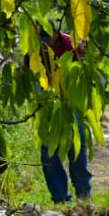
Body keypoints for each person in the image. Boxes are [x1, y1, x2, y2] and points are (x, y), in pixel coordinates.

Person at [38, 26, 93, 204]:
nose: (46, 42)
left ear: (56, 32)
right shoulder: (35, 47)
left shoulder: (70, 43)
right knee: (48, 153)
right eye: (42, 38)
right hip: (48, 103)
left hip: (70, 102)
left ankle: (84, 194)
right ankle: (61, 200)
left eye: (49, 38)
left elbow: (83, 71)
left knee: (77, 146)